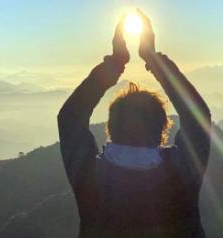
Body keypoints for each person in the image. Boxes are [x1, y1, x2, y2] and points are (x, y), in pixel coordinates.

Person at [58, 9, 211, 238]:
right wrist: (153, 58)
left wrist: (115, 64)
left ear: (110, 129)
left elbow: (70, 117)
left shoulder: (91, 177)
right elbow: (198, 117)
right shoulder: (182, 172)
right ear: (162, 130)